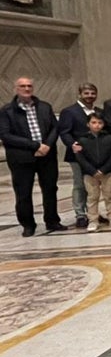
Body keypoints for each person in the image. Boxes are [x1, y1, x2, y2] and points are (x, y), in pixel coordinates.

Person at [0, 77, 65, 237]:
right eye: (23, 86)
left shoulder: (44, 107)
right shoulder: (7, 111)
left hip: (47, 155)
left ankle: (52, 220)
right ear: (16, 88)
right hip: (22, 157)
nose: (27, 89)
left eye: (29, 86)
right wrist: (35, 146)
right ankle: (28, 224)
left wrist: (47, 146)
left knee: (50, 188)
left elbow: (54, 128)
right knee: (23, 192)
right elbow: (5, 135)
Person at [57, 82, 100, 229]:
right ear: (80, 94)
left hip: (96, 154)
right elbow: (64, 131)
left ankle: (93, 213)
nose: (90, 96)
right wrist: (72, 144)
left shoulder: (98, 111)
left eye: (92, 93)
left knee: (93, 185)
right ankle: (80, 214)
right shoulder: (69, 111)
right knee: (80, 185)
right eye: (86, 93)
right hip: (77, 154)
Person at [76, 112, 111, 232]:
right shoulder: (82, 140)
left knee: (110, 195)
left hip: (108, 172)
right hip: (89, 173)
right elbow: (80, 157)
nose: (97, 125)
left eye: (100, 123)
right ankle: (93, 220)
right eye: (94, 122)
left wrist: (104, 169)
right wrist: (92, 170)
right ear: (88, 124)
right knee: (92, 197)